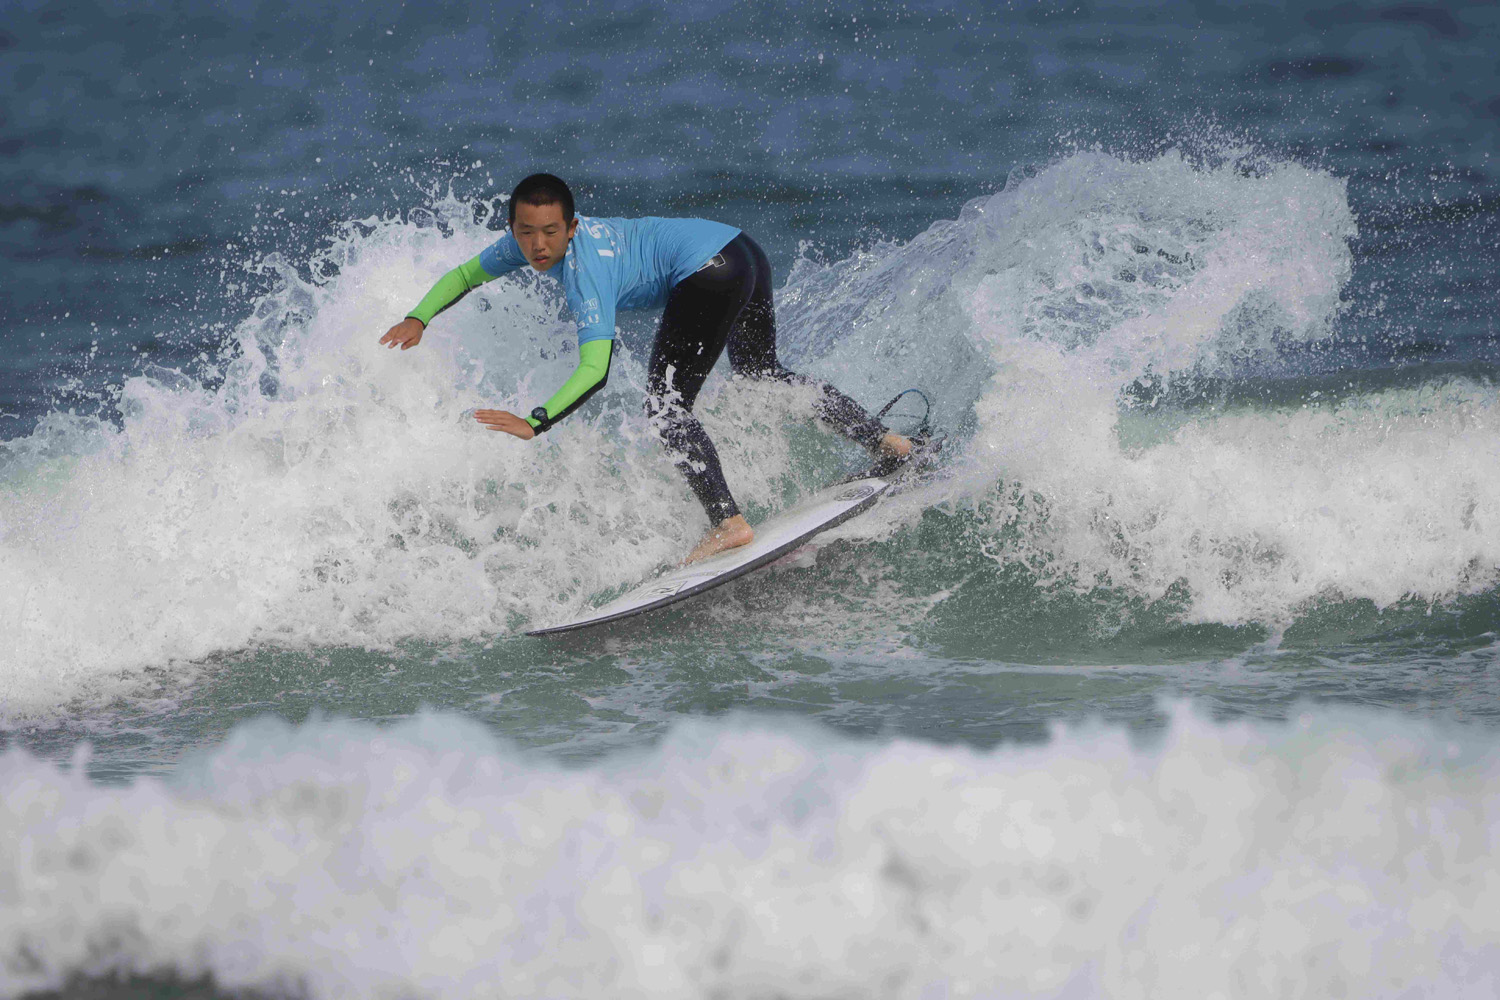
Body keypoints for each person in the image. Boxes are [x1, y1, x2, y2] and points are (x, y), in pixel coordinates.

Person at [380, 173, 912, 563]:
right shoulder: (525, 245)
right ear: (513, 230)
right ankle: (886, 442)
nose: (538, 245)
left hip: (709, 271)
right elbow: (465, 275)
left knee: (665, 408)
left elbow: (594, 371)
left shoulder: (585, 272)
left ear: (571, 227)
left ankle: (728, 523)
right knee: (761, 371)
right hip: (741, 248)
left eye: (550, 232)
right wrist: (418, 317)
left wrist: (535, 421)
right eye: (526, 232)